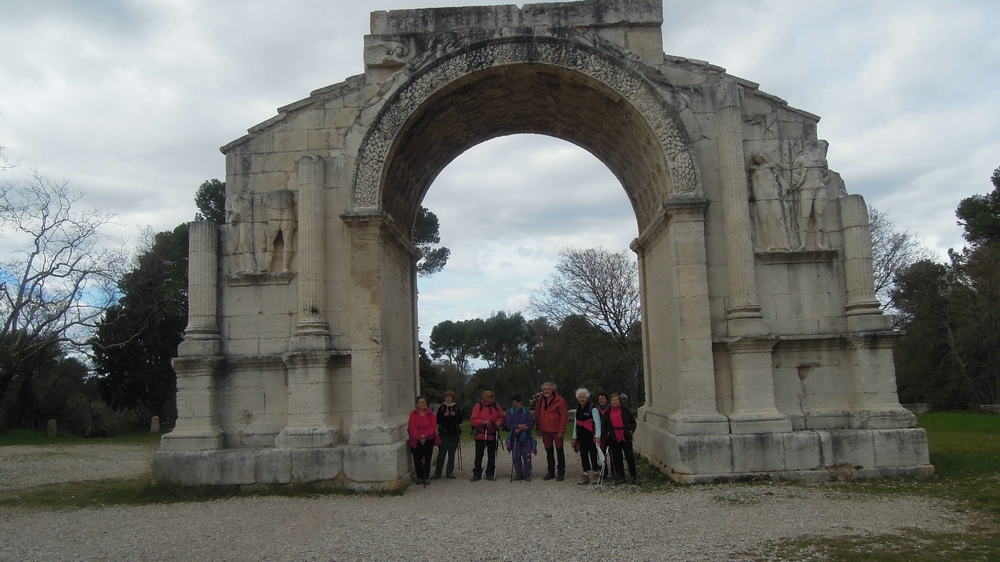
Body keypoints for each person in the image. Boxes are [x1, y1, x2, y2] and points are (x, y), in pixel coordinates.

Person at [601, 393, 638, 484]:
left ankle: (634, 476)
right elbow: (603, 426)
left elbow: (633, 422)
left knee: (630, 457)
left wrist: (631, 431)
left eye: (616, 400)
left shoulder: (625, 411)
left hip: (626, 437)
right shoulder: (607, 413)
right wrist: (608, 433)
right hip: (614, 438)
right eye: (613, 400)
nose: (615, 402)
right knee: (617, 459)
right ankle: (621, 476)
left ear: (619, 401)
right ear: (610, 402)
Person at [534, 382, 568, 481]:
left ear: (552, 390)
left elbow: (564, 416)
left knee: (559, 451)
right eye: (544, 389)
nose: (546, 391)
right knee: (549, 452)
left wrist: (561, 430)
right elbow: (537, 414)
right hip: (545, 431)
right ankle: (550, 472)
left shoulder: (560, 400)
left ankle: (561, 472)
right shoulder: (541, 400)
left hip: (556, 430)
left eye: (548, 389)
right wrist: (539, 428)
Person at [469, 390, 505, 482]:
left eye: (493, 396)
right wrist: (482, 422)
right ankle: (477, 473)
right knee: (479, 455)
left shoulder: (496, 406)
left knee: (492, 455)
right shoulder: (478, 407)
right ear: (485, 398)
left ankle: (490, 473)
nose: (493, 398)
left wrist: (499, 422)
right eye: (491, 396)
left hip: (493, 435)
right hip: (481, 435)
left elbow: (502, 417)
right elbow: (473, 420)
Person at [571, 388, 602, 485]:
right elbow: (576, 422)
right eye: (580, 397)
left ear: (587, 397)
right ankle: (585, 474)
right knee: (583, 454)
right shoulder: (578, 409)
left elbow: (597, 423)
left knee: (593, 454)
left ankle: (596, 473)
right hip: (581, 436)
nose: (581, 399)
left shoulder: (593, 408)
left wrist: (598, 436)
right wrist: (574, 436)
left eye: (583, 397)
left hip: (591, 435)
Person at [408, 396, 440, 486]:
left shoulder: (430, 414)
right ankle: (419, 476)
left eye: (424, 402)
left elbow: (432, 426)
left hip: (428, 438)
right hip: (416, 439)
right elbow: (412, 426)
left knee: (427, 459)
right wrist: (419, 437)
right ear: (417, 404)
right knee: (417, 459)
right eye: (420, 402)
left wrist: (425, 435)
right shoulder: (413, 414)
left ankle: (426, 477)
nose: (422, 404)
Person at [504, 395, 536, 481]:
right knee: (516, 455)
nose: (519, 403)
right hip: (514, 437)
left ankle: (527, 473)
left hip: (526, 436)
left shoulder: (526, 410)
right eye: (517, 401)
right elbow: (508, 423)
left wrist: (522, 428)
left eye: (520, 401)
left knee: (527, 455)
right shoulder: (509, 412)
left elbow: (531, 422)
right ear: (513, 402)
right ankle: (519, 473)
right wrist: (517, 426)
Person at [432, 391, 463, 479]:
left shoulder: (456, 408)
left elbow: (460, 420)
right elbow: (437, 420)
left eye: (449, 397)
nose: (448, 398)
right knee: (441, 453)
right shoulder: (442, 408)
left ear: (453, 398)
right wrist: (444, 416)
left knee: (452, 453)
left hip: (453, 433)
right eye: (446, 397)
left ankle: (449, 472)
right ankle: (438, 472)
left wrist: (455, 415)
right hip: (444, 433)